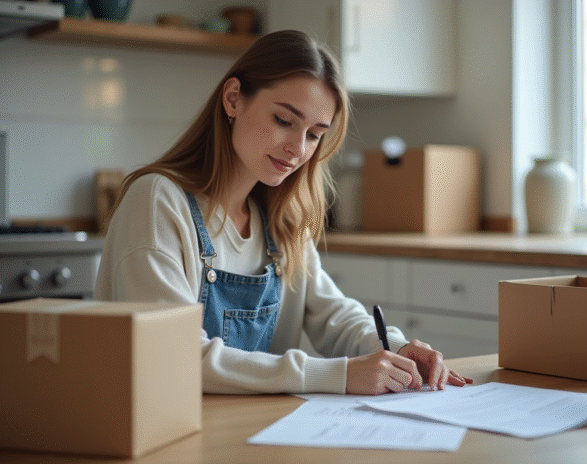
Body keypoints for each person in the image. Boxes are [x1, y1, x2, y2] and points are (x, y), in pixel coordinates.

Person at [95, 30, 473, 395]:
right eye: (284, 121)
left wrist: (395, 348)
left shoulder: (283, 219)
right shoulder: (158, 200)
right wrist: (335, 375)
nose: (298, 149)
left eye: (314, 134)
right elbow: (173, 355)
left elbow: (335, 317)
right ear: (233, 99)